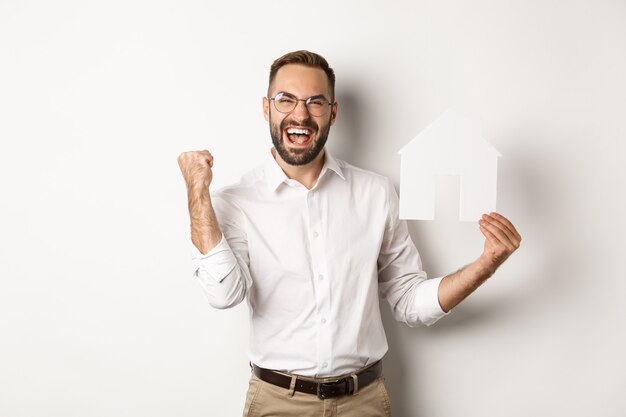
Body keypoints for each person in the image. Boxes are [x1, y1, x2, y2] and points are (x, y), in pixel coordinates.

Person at [177, 50, 521, 417]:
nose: (300, 114)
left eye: (315, 102)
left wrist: (485, 264)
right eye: (286, 100)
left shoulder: (376, 193)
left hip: (365, 402)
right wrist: (197, 191)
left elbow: (408, 301)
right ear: (266, 108)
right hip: (277, 403)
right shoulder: (235, 203)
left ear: (333, 112)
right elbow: (223, 294)